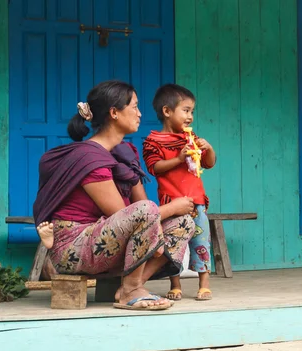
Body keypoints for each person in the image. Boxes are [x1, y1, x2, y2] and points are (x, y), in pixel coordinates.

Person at [33, 80, 196, 311]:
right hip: (75, 248)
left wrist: (157, 227)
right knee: (152, 211)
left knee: (184, 223)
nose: (140, 114)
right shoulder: (90, 159)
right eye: (135, 107)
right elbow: (124, 214)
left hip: (106, 240)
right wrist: (172, 207)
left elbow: (141, 207)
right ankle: (130, 290)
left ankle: (133, 285)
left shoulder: (125, 154)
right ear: (114, 113)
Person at [143, 84, 216, 301]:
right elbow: (154, 168)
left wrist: (209, 149)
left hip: (196, 202)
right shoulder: (153, 141)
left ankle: (204, 284)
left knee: (201, 242)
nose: (190, 116)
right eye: (185, 110)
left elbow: (208, 164)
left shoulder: (191, 138)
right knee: (175, 245)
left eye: (192, 111)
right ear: (167, 111)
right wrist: (178, 158)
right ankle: (175, 284)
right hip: (172, 202)